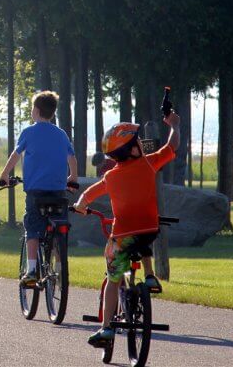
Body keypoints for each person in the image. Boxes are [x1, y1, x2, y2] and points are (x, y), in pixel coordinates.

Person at [73, 111, 180, 347]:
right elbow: (172, 146)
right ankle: (150, 277)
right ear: (133, 150)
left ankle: (106, 328)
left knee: (114, 278)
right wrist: (175, 125)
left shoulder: (110, 177)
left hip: (122, 237)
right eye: (138, 142)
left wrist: (80, 205)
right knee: (143, 239)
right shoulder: (149, 164)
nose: (141, 144)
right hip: (150, 229)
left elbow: (89, 193)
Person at [0, 91, 78, 286]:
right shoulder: (61, 134)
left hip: (36, 192)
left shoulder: (29, 132)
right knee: (59, 226)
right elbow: (72, 158)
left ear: (35, 110)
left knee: (32, 227)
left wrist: (4, 175)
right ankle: (60, 271)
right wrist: (73, 178)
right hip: (58, 191)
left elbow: (16, 155)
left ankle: (32, 271)